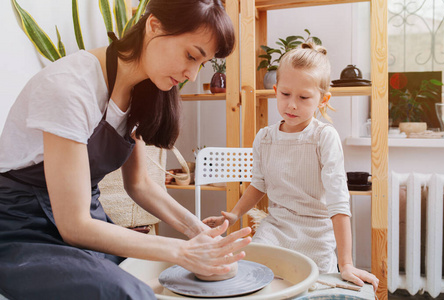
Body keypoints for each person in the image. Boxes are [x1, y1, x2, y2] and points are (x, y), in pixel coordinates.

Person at [0, 1, 252, 299]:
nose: (192, 75)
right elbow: (73, 225)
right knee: (129, 293)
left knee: (160, 283)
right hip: (20, 229)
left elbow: (140, 184)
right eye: (190, 56)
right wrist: (183, 251)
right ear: (154, 26)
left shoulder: (140, 91)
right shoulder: (69, 88)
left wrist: (198, 233)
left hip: (87, 221)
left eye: (201, 63)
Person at [203, 42, 379, 290]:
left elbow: (339, 204)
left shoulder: (323, 137)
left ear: (323, 99)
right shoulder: (264, 137)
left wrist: (346, 263)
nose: (292, 104)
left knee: (310, 289)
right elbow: (258, 185)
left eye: (304, 97)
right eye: (285, 94)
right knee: (255, 280)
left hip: (316, 234)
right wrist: (233, 215)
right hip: (275, 229)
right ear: (275, 90)